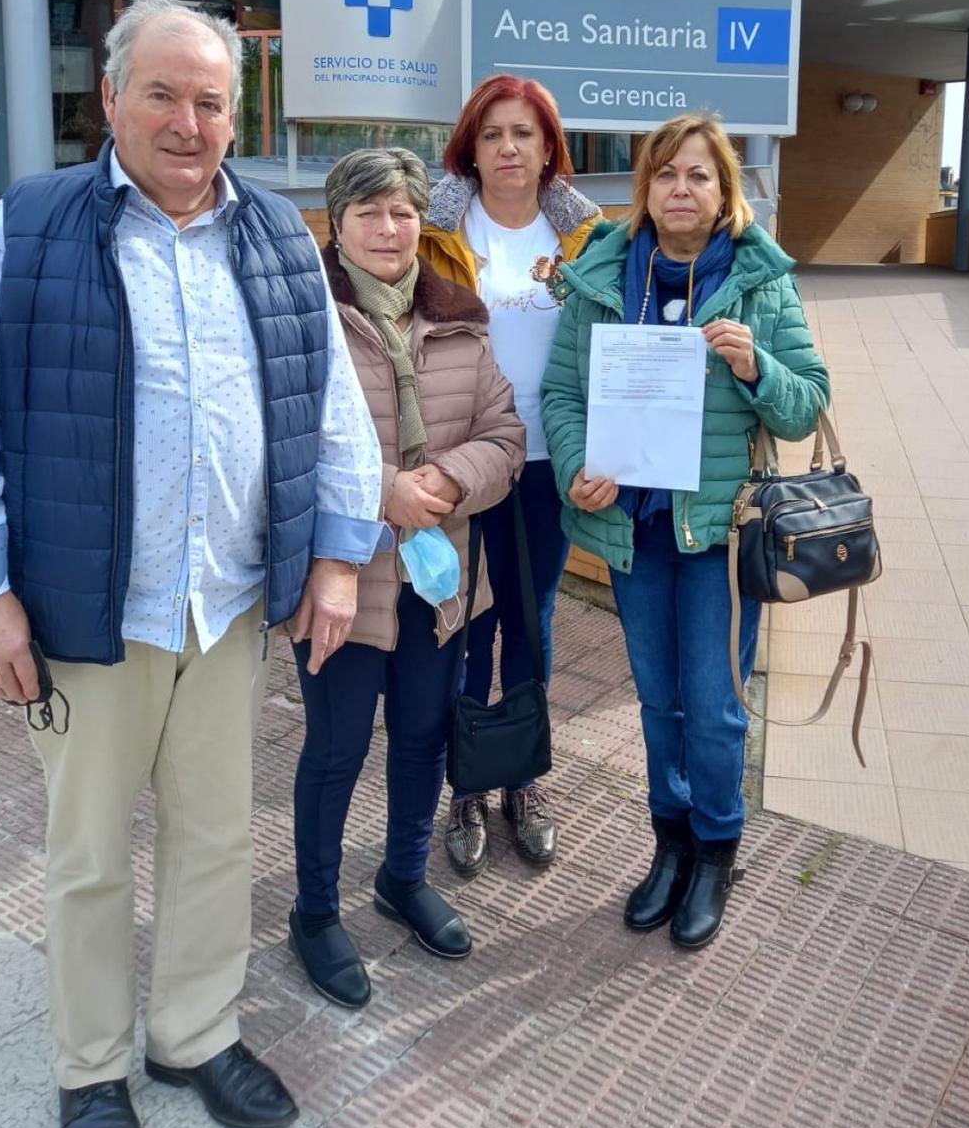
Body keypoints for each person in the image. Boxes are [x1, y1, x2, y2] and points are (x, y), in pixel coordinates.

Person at [0, 0, 385, 1128]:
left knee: (218, 837)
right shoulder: (29, 225)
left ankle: (193, 1037)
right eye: (163, 95)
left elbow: (332, 405)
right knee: (87, 854)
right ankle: (89, 1068)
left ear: (236, 116)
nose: (188, 122)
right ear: (112, 100)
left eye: (210, 101)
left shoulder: (276, 235)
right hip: (86, 616)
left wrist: (338, 557)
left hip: (225, 606)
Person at [540, 114, 830, 950]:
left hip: (719, 538)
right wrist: (576, 465)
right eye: (666, 173)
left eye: (699, 175)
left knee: (713, 708)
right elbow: (562, 393)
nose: (680, 189)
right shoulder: (602, 275)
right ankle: (669, 845)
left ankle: (715, 851)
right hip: (633, 530)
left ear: (724, 190)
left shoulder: (759, 282)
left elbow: (807, 403)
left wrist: (756, 364)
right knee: (659, 703)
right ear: (646, 188)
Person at [289, 148, 525, 1006]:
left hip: (439, 583)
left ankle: (402, 876)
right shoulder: (303, 317)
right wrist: (379, 489)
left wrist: (449, 480)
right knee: (338, 747)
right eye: (369, 212)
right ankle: (316, 912)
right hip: (341, 581)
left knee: (423, 735)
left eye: (403, 212)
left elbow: (506, 437)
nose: (389, 229)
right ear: (338, 223)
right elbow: (281, 448)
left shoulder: (462, 318)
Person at [419, 75, 601, 873]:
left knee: (532, 618)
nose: (508, 148)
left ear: (549, 147)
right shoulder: (436, 231)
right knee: (466, 621)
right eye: (492, 134)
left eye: (524, 133)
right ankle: (467, 782)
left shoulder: (587, 239)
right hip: (466, 459)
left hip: (548, 460)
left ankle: (523, 777)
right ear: (471, 147)